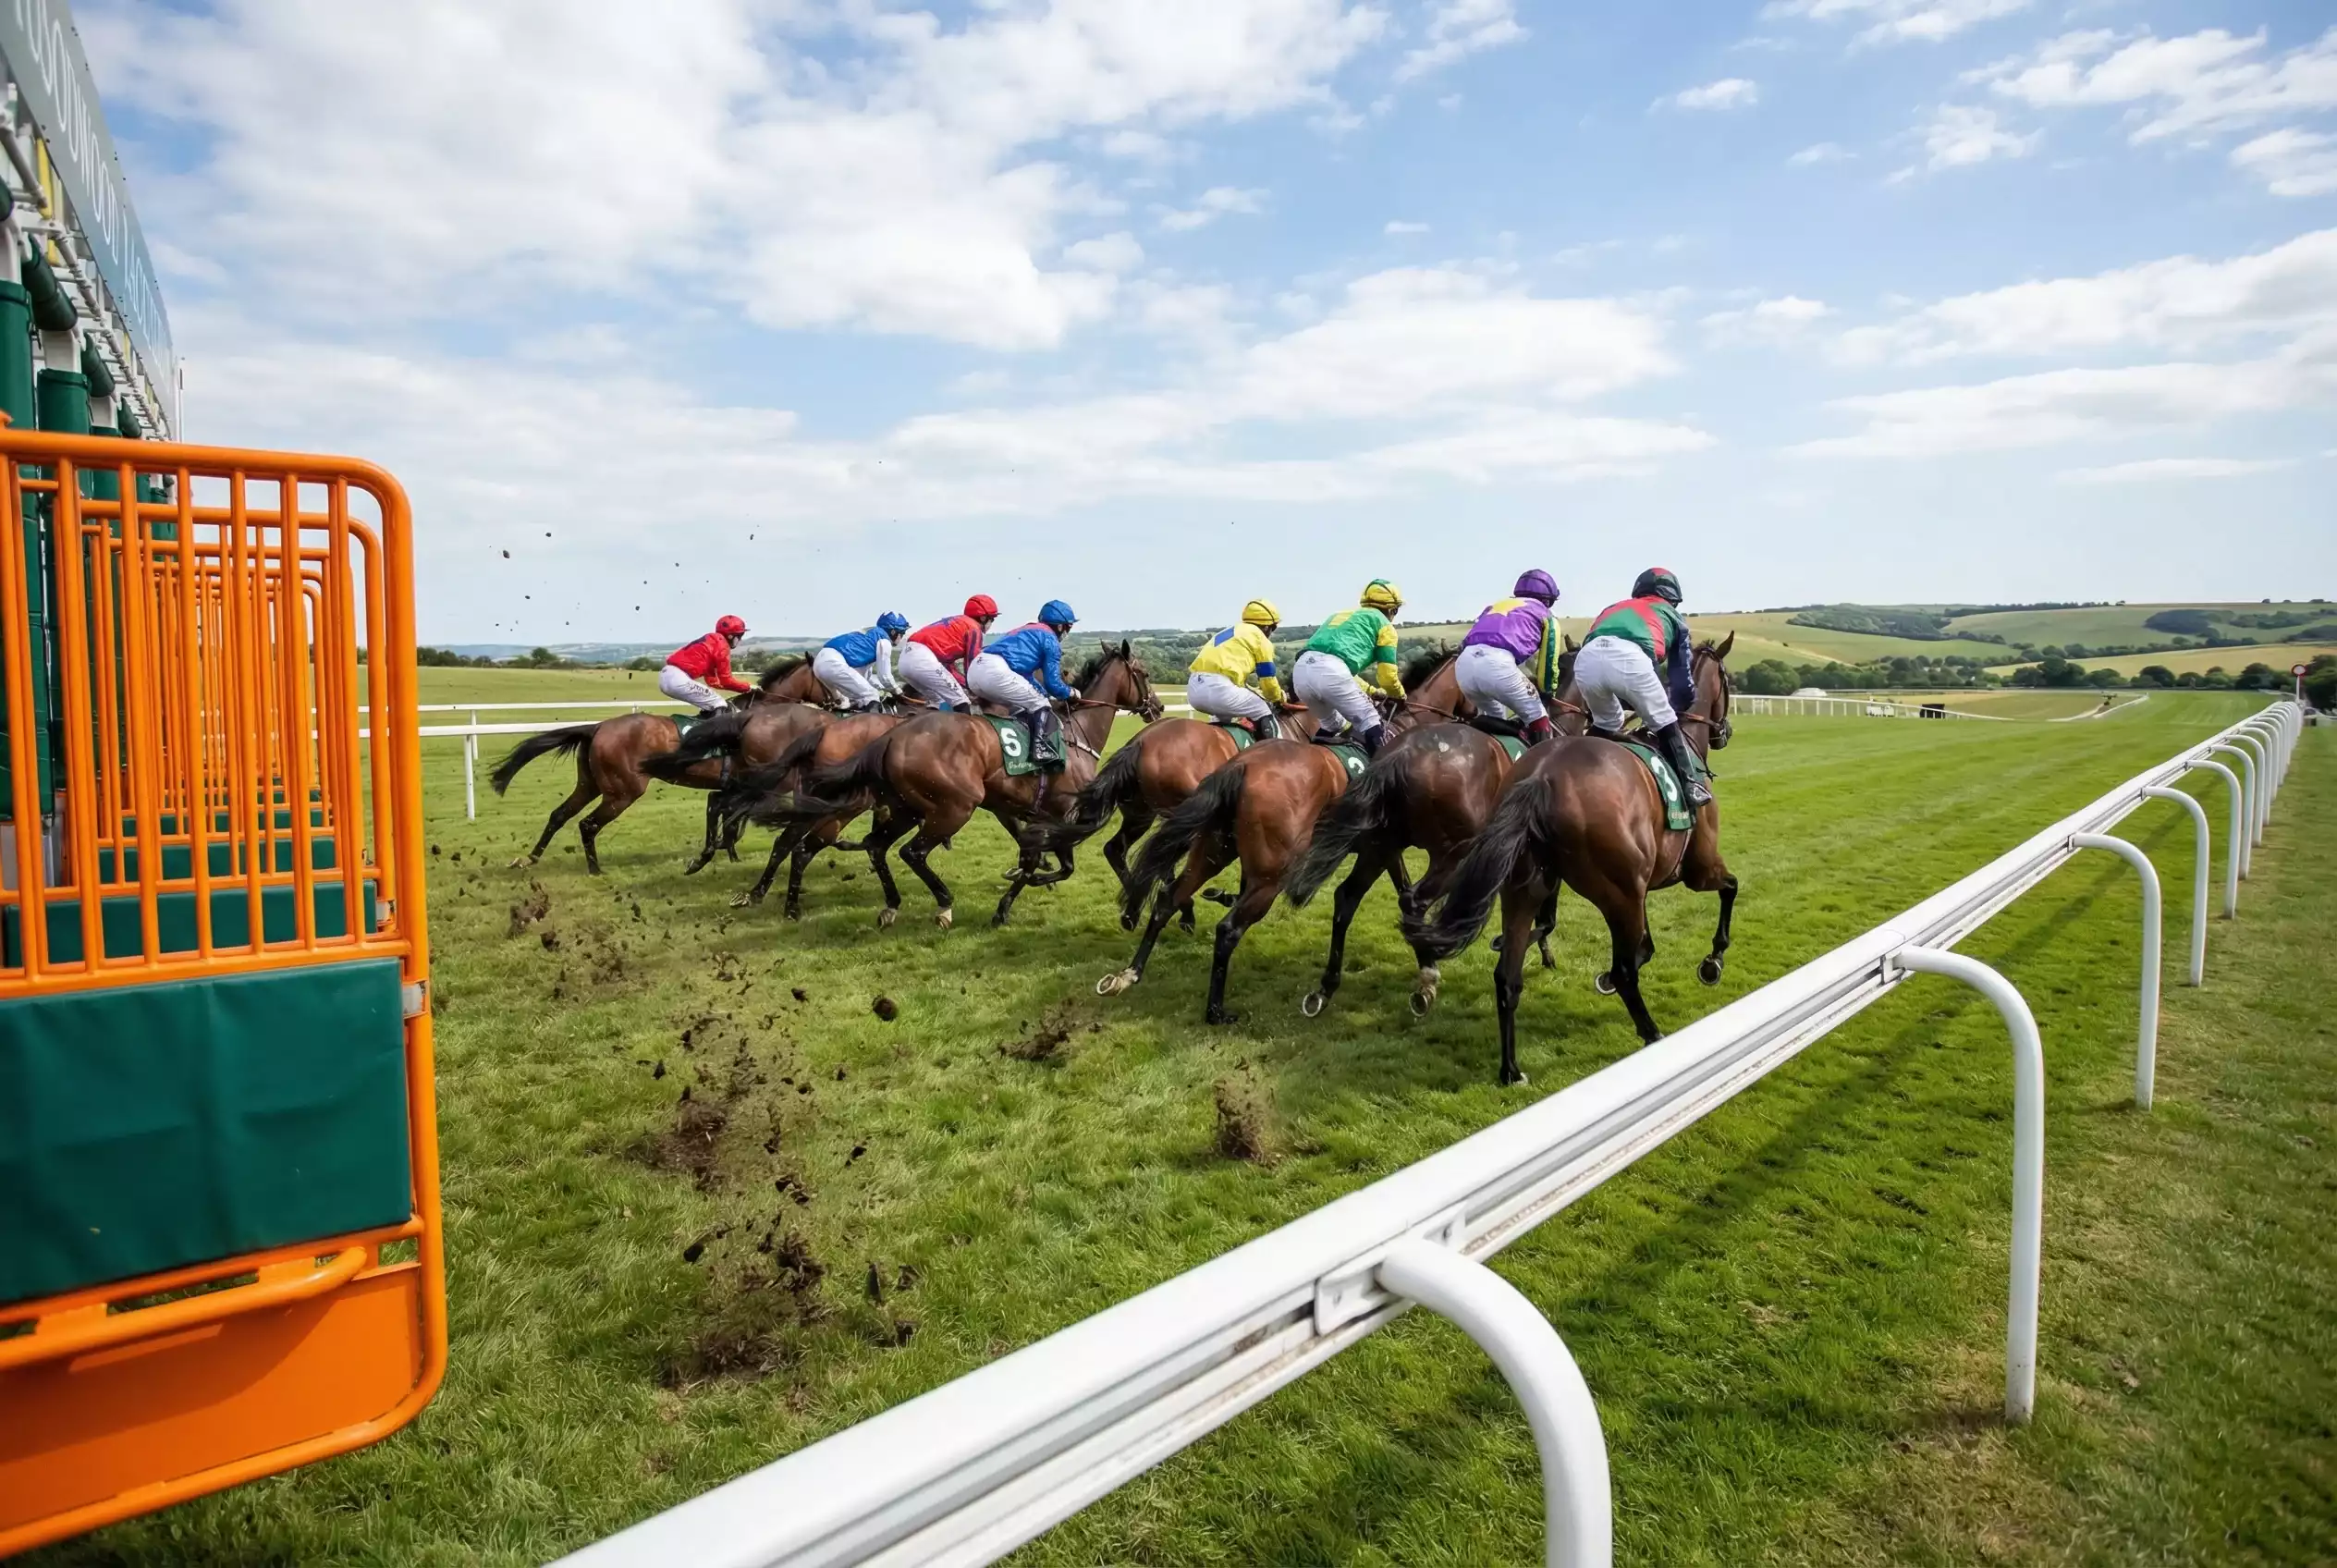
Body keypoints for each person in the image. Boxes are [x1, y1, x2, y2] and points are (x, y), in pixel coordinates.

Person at [1577, 567, 1710, 805]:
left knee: (1607, 722)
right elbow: (1681, 677)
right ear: (1672, 598)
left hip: (1587, 658)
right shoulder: (1673, 616)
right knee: (1664, 719)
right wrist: (1677, 704)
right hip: (1630, 659)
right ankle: (1691, 785)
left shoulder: (1613, 608)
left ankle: (1576, 760)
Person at [967, 600, 1080, 803]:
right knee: (1041, 705)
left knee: (1027, 704)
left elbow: (1026, 678)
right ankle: (1040, 750)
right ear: (1062, 626)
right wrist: (1070, 693)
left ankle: (1015, 747)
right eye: (1068, 628)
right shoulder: (1051, 640)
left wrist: (1044, 694)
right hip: (995, 671)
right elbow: (1054, 683)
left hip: (976, 671)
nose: (1066, 633)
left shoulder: (1027, 631)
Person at [1293, 579, 1405, 756]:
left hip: (1300, 671)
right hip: (1331, 672)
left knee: (1332, 725)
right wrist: (1399, 695)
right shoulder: (1385, 626)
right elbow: (1387, 677)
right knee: (1370, 720)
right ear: (1393, 609)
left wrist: (1370, 690)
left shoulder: (1339, 615)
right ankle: (1378, 781)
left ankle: (1307, 757)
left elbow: (1333, 665)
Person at [1456, 569, 1564, 746]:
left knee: (1495, 718)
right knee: (1538, 718)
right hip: (1498, 665)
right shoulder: (1548, 617)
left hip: (1464, 665)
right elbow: (1548, 662)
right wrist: (1547, 691)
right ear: (1548, 600)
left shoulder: (1493, 606)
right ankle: (1536, 760)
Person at [1186, 598, 1290, 739]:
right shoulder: (1260, 639)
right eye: (1273, 627)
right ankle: (1277, 756)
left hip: (1194, 688)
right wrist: (1278, 697)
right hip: (1219, 689)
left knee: (1223, 717)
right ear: (1266, 627)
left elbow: (1238, 682)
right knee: (1261, 708)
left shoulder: (1232, 631)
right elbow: (1268, 681)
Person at [900, 594, 998, 710]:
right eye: (992, 619)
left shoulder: (957, 623)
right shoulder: (974, 628)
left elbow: (948, 669)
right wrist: (980, 691)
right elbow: (972, 667)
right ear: (983, 617)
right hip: (923, 659)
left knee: (939, 701)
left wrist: (966, 686)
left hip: (905, 659)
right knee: (962, 701)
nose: (991, 623)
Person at [660, 614, 753, 715]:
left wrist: (741, 688)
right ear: (730, 636)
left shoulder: (711, 642)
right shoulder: (722, 645)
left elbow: (712, 682)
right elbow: (726, 681)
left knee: (711, 704)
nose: (740, 640)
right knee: (720, 703)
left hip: (667, 677)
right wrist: (748, 688)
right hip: (679, 680)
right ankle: (713, 730)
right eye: (739, 636)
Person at [814, 613, 911, 710]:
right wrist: (897, 692)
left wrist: (884, 689)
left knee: (852, 700)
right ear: (893, 632)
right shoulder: (884, 641)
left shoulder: (870, 637)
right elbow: (885, 677)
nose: (901, 637)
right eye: (901, 633)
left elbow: (866, 678)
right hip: (833, 663)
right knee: (871, 695)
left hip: (820, 663)